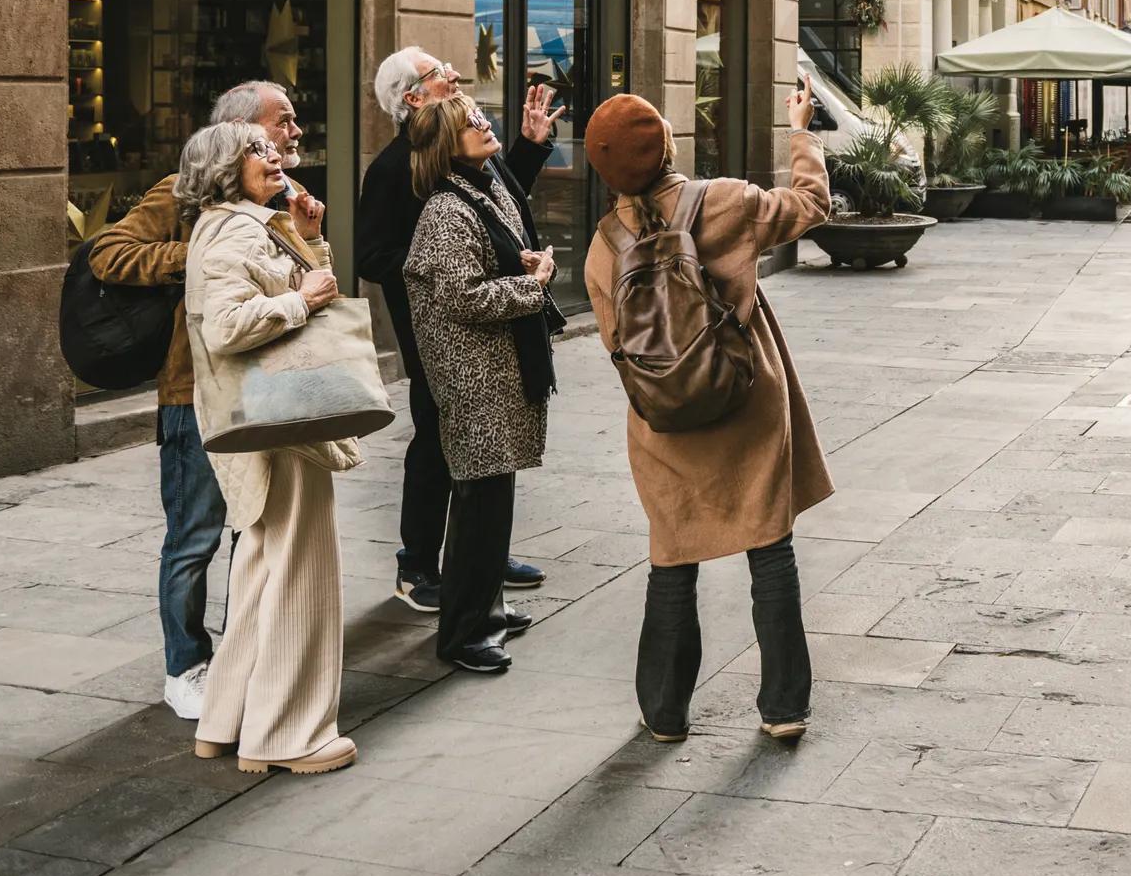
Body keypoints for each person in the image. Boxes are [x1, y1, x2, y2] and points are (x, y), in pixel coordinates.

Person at [582, 88, 833, 744]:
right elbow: (811, 207)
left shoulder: (604, 249)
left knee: (672, 559)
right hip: (745, 402)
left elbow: (619, 346)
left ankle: (665, 711)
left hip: (664, 423)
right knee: (769, 547)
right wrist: (799, 132)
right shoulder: (725, 201)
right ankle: (783, 705)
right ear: (666, 146)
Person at [88, 80, 320, 723]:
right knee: (194, 538)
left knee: (260, 530)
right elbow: (108, 253)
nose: (294, 134)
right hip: (193, 392)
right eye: (284, 122)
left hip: (265, 385)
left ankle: (246, 653)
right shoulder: (182, 193)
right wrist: (199, 256)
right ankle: (184, 663)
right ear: (241, 133)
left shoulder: (284, 199)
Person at [178, 121, 359, 775]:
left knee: (261, 568)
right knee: (300, 572)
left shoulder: (249, 223)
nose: (274, 153)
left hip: (270, 418)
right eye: (255, 148)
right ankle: (289, 735)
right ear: (224, 168)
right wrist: (297, 300)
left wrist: (309, 240)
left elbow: (321, 290)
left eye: (271, 145)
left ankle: (225, 719)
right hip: (277, 422)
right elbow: (228, 325)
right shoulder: (230, 230)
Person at [356, 49, 556, 614]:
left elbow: (505, 203)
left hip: (488, 319)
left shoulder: (462, 147)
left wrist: (531, 147)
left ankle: (479, 553)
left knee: (486, 438)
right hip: (436, 328)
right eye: (439, 71)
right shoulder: (397, 166)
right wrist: (441, 264)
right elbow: (372, 256)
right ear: (413, 98)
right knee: (437, 440)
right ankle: (417, 564)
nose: (455, 74)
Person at [401, 96, 557, 676]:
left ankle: (487, 603)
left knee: (492, 502)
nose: (484, 123)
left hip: (499, 370)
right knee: (478, 506)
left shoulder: (481, 188)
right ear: (447, 145)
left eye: (479, 115)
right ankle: (465, 632)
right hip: (473, 377)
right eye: (470, 122)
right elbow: (461, 296)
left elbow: (501, 260)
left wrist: (528, 266)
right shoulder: (445, 210)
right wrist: (533, 286)